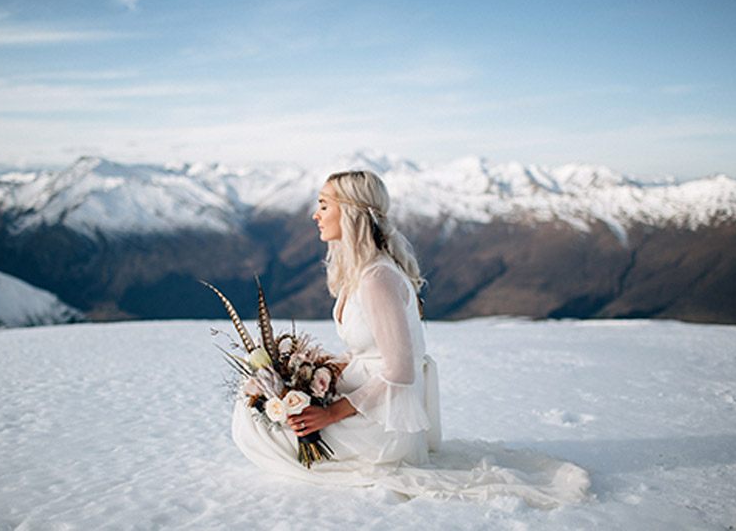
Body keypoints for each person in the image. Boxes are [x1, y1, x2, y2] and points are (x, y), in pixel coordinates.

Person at [231, 170, 591, 507]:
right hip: (370, 400)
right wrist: (310, 374)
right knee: (255, 411)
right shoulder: (361, 273)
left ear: (352, 213)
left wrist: (329, 416)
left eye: (324, 205)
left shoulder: (377, 278)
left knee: (259, 430)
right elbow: (372, 353)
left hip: (385, 422)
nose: (315, 214)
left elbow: (400, 370)